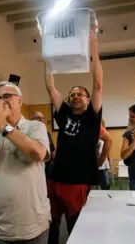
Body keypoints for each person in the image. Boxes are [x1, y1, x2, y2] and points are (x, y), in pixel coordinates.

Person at [0, 82, 51, 243]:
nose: (2, 101)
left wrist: (2, 125)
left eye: (7, 96)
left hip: (31, 227)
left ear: (20, 101)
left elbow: (38, 153)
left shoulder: (35, 126)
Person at [44, 32, 103, 243]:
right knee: (51, 225)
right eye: (73, 95)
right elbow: (51, 87)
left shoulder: (92, 117)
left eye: (80, 94)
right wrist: (47, 56)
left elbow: (97, 83)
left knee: (75, 229)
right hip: (55, 178)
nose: (76, 97)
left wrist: (93, 45)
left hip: (77, 182)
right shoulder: (64, 114)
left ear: (88, 99)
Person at [30, 111, 56, 178]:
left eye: (42, 118)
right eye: (38, 118)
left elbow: (52, 150)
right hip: (34, 171)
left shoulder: (47, 133)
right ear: (31, 120)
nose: (41, 119)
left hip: (47, 170)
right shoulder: (27, 133)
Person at [97, 119, 113, 190]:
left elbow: (107, 152)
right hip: (92, 164)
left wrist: (108, 164)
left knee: (105, 185)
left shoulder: (104, 137)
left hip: (102, 165)